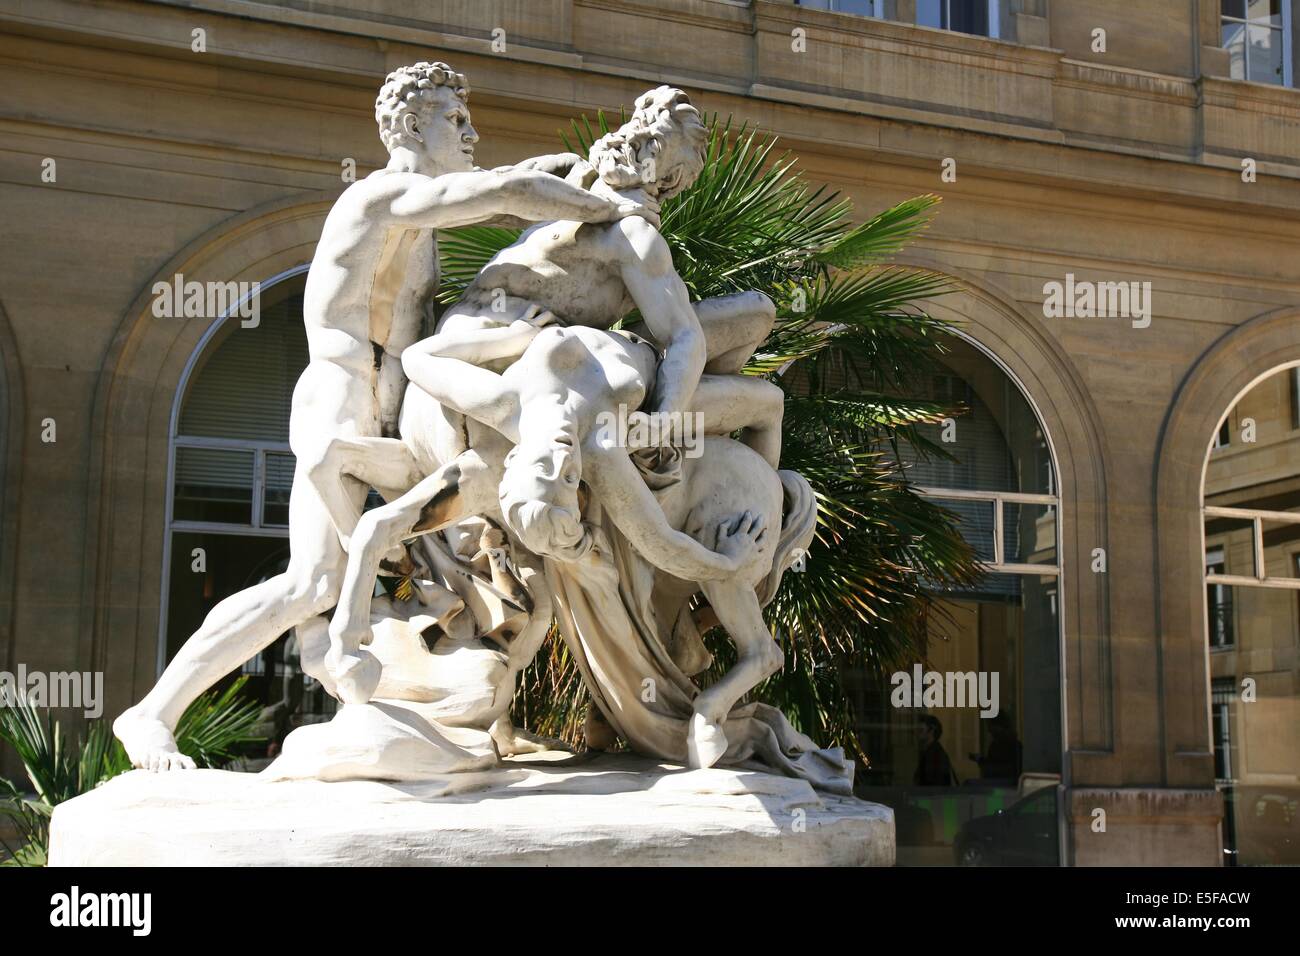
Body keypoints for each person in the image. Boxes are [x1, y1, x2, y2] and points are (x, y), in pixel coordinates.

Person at [113, 61, 649, 771]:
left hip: (392, 412)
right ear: (410, 122)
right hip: (341, 398)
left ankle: (470, 717)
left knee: (466, 528)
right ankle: (152, 714)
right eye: (455, 120)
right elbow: (504, 191)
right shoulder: (381, 195)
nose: (470, 132)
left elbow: (493, 203)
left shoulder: (418, 217)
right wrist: (615, 209)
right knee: (313, 582)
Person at [914, 714, 958, 786]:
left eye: (921, 729)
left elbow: (933, 784)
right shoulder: (932, 752)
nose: (917, 732)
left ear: (931, 730)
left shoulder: (934, 755)